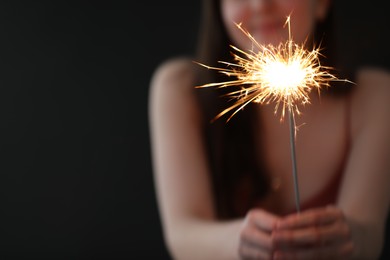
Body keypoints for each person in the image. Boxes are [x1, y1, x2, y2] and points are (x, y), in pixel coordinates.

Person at [149, 0, 390, 259]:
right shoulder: (182, 90)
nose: (259, 4)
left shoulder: (375, 96)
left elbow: (370, 236)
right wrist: (239, 243)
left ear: (321, 3)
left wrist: (348, 238)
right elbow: (183, 237)